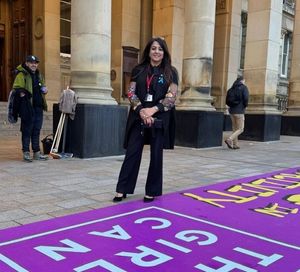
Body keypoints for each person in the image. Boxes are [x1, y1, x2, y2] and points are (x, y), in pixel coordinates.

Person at [113, 37, 178, 203]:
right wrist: (142, 111)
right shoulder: (139, 69)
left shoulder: (171, 71)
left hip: (160, 117)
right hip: (138, 116)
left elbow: (171, 97)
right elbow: (131, 93)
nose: (157, 52)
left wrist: (153, 110)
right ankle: (122, 189)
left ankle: (152, 190)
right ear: (148, 51)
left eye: (160, 49)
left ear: (164, 52)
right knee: (132, 153)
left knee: (156, 155)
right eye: (154, 48)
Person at [12, 55, 49, 162]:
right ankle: (26, 152)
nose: (34, 65)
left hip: (38, 106)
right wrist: (23, 94)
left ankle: (37, 153)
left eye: (36, 63)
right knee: (27, 130)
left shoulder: (39, 75)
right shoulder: (21, 74)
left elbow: (43, 86)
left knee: (36, 130)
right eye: (31, 62)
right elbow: (16, 88)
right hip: (27, 107)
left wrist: (45, 90)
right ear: (27, 63)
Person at [224, 75, 249, 150]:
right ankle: (230, 139)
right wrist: (244, 106)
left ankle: (235, 145)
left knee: (235, 128)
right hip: (239, 111)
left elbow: (227, 101)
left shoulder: (230, 89)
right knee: (241, 129)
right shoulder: (243, 88)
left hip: (231, 111)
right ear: (242, 81)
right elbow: (246, 98)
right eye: (244, 81)